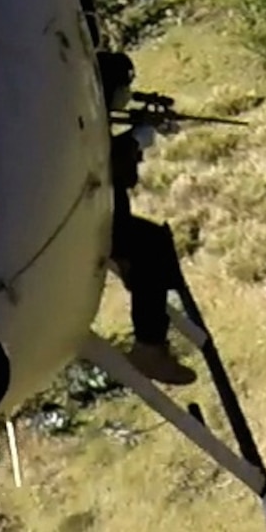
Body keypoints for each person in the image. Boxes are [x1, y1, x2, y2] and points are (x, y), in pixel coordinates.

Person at [107, 128, 194, 387]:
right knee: (150, 246)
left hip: (97, 218)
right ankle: (150, 347)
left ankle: (152, 344)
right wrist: (137, 139)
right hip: (93, 223)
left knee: (150, 242)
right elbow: (114, 167)